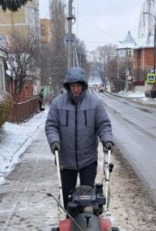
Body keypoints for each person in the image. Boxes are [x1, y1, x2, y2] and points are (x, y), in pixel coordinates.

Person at [45, 67, 113, 208]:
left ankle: (87, 226)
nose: (76, 89)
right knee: (67, 199)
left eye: (78, 86)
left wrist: (107, 140)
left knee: (87, 198)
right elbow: (51, 125)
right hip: (66, 160)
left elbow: (103, 124)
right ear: (68, 86)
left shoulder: (94, 103)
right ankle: (70, 224)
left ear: (83, 86)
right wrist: (54, 142)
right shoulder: (58, 103)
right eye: (73, 86)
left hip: (88, 159)